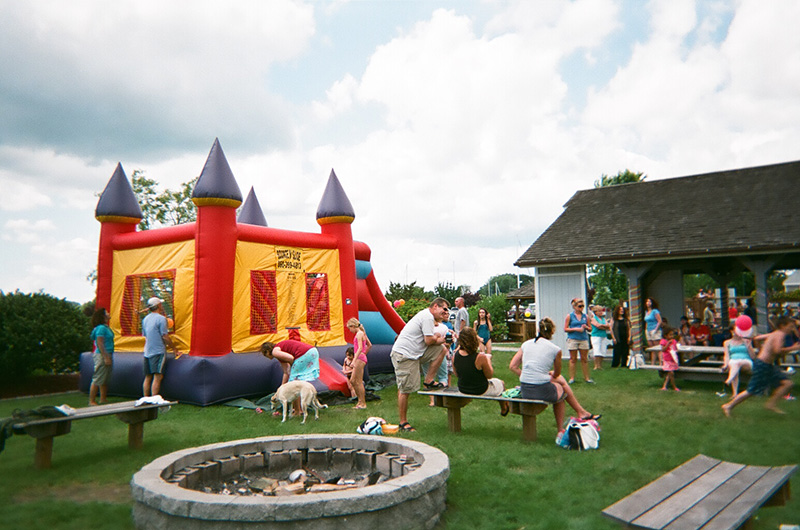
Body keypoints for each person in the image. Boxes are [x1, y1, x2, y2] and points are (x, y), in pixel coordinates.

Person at [509, 318, 600, 443]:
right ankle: (563, 427)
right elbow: (557, 373)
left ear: (538, 329)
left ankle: (581, 412)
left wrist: (526, 374)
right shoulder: (555, 349)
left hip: (526, 389)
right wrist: (548, 373)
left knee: (560, 384)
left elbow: (512, 366)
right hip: (540, 389)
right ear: (552, 331)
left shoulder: (526, 344)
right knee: (561, 390)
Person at [390, 297, 450, 432]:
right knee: (405, 390)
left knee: (442, 349)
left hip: (416, 354)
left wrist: (441, 339)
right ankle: (403, 423)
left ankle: (428, 380)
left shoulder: (429, 317)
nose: (445, 312)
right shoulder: (427, 317)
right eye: (444, 309)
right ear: (435, 306)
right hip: (404, 355)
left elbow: (433, 340)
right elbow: (429, 341)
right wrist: (438, 338)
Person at [722, 316, 798, 416]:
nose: (792, 329)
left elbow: (757, 338)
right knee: (751, 390)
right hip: (762, 365)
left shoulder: (774, 334)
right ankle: (728, 406)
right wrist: (793, 347)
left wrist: (761, 350)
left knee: (787, 383)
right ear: (782, 326)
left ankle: (771, 404)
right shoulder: (780, 335)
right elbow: (777, 350)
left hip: (767, 365)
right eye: (790, 326)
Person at [452, 327, 509, 416]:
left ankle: (504, 408)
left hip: (463, 388)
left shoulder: (455, 355)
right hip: (480, 389)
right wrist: (488, 359)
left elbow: (456, 374)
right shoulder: (480, 357)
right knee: (500, 383)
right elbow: (489, 375)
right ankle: (504, 408)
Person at [261, 338, 322, 416]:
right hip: (312, 352)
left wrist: (293, 366)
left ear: (267, 351)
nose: (266, 357)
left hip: (304, 354)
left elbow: (290, 358)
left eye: (265, 354)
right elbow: (286, 372)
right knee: (297, 383)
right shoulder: (280, 351)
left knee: (293, 385)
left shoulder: (275, 352)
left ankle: (297, 411)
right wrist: (281, 388)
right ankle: (300, 408)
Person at [142, 297, 178, 397]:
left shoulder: (145, 319)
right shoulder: (161, 319)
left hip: (147, 352)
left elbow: (145, 335)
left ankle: (146, 398)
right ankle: (154, 399)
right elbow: (165, 336)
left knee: (148, 377)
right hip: (158, 352)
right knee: (158, 376)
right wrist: (174, 348)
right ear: (158, 306)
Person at [722, 315, 755, 396]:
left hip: (746, 361)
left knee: (737, 363)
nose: (735, 333)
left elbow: (753, 356)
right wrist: (725, 364)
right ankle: (735, 394)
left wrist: (749, 347)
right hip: (733, 361)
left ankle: (728, 380)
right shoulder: (727, 342)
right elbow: (726, 355)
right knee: (734, 365)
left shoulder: (746, 341)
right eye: (733, 331)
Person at [564, 298, 593, 384]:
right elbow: (565, 328)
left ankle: (587, 378)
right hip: (573, 339)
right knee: (573, 359)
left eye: (582, 306)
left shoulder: (585, 316)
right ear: (574, 306)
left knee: (584, 359)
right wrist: (576, 329)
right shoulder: (570, 316)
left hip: (583, 339)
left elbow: (590, 329)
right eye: (579, 306)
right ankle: (572, 378)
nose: (581, 308)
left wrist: (586, 327)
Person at [89, 308, 114, 405]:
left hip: (107, 353)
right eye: (106, 313)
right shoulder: (101, 328)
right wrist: (106, 357)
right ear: (103, 316)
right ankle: (91, 400)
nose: (108, 313)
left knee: (105, 377)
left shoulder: (105, 327)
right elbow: (100, 343)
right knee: (98, 377)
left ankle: (103, 398)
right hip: (102, 354)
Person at [346, 317, 371, 409]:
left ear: (352, 326)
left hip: (359, 359)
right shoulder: (362, 333)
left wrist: (354, 359)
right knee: (352, 381)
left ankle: (362, 403)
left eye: (350, 329)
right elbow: (369, 345)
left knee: (358, 381)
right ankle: (359, 401)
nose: (350, 331)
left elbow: (360, 348)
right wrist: (364, 354)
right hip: (361, 357)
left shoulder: (359, 334)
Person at [589, 305, 611, 370]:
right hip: (596, 336)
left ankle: (600, 365)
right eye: (599, 311)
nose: (601, 312)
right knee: (597, 350)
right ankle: (596, 366)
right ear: (595, 312)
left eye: (602, 311)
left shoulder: (603, 319)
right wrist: (604, 326)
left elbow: (608, 326)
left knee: (602, 350)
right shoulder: (593, 318)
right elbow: (597, 326)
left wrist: (602, 326)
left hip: (603, 336)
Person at [659, 327, 680, 391]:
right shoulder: (663, 341)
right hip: (667, 360)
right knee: (671, 373)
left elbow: (675, 348)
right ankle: (674, 387)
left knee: (669, 374)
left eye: (672, 335)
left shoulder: (674, 341)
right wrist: (667, 344)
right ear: (665, 335)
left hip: (672, 359)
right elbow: (663, 350)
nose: (672, 336)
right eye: (670, 335)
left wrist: (676, 347)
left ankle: (664, 386)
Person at [644, 298, 662, 363]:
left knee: (658, 347)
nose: (648, 303)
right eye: (647, 301)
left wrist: (655, 329)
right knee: (652, 348)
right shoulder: (646, 312)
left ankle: (661, 363)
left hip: (655, 330)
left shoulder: (655, 311)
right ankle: (653, 363)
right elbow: (646, 321)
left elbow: (659, 321)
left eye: (649, 301)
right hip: (648, 330)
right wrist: (646, 330)